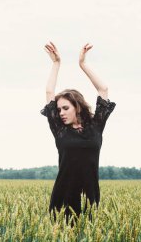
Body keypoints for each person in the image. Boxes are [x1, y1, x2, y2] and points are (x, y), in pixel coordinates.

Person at [41, 41, 116, 224]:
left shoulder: (96, 126)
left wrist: (83, 64)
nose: (61, 113)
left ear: (77, 106)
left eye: (65, 108)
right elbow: (49, 91)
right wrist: (56, 64)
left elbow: (103, 89)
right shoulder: (60, 130)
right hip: (63, 195)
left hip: (90, 195)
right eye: (58, 110)